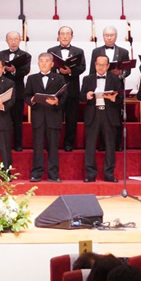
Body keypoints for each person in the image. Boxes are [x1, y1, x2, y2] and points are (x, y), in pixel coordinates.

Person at [25, 52, 67, 183]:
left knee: (53, 147)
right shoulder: (31, 79)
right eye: (41, 61)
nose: (43, 63)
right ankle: (36, 174)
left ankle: (53, 175)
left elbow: (64, 96)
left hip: (53, 117)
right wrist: (31, 100)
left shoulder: (59, 78)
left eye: (46, 61)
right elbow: (26, 95)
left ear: (52, 64)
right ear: (38, 64)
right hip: (38, 118)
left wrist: (57, 102)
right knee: (37, 147)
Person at [81, 55, 123, 183]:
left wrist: (113, 98)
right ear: (95, 65)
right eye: (98, 64)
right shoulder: (87, 79)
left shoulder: (115, 79)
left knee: (110, 146)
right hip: (93, 114)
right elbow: (81, 96)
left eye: (103, 65)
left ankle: (109, 174)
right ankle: (90, 174)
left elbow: (121, 98)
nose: (100, 67)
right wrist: (87, 95)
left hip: (109, 114)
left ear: (108, 66)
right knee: (90, 146)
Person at [89, 25, 131, 150]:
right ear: (103, 37)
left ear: (116, 36)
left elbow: (128, 70)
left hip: (115, 86)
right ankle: (102, 144)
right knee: (100, 116)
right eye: (106, 35)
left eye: (111, 35)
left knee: (115, 115)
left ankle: (116, 144)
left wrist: (121, 73)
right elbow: (92, 70)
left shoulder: (123, 52)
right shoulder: (96, 51)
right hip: (100, 86)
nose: (109, 37)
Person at [47, 26, 85, 152]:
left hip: (72, 90)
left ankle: (69, 144)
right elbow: (47, 67)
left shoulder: (79, 51)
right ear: (58, 36)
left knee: (71, 119)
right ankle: (53, 143)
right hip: (56, 91)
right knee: (55, 119)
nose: (64, 36)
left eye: (67, 34)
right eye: (62, 34)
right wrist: (58, 70)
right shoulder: (51, 51)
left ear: (72, 36)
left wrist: (70, 72)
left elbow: (82, 67)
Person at [0, 31, 31, 152]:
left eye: (16, 39)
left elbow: (25, 70)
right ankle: (1, 144)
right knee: (3, 119)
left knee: (17, 120)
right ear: (6, 41)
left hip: (18, 91)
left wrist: (14, 70)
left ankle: (18, 144)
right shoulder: (1, 54)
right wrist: (3, 69)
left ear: (20, 40)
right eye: (10, 39)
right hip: (3, 90)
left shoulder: (26, 55)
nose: (13, 41)